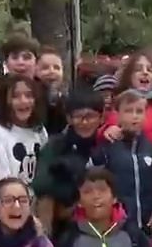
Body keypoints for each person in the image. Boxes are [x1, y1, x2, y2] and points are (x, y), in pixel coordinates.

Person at [92, 91, 152, 233]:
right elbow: (93, 187)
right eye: (128, 111)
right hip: (117, 229)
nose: (135, 116)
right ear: (117, 115)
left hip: (150, 227)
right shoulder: (105, 150)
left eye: (139, 111)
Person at [33, 87, 104, 237]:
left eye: (90, 116)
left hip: (101, 209)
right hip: (64, 215)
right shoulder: (57, 144)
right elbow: (41, 184)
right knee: (46, 199)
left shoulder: (106, 143)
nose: (84, 122)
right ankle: (45, 245)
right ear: (69, 118)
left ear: (101, 117)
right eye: (78, 117)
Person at [104, 49, 152, 184]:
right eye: (138, 69)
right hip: (138, 173)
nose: (145, 72)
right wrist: (110, 128)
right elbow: (109, 127)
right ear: (129, 76)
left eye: (150, 70)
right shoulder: (120, 105)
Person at [0, 73, 48, 186]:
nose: (23, 101)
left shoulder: (40, 131)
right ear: (5, 100)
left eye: (29, 95)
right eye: (15, 96)